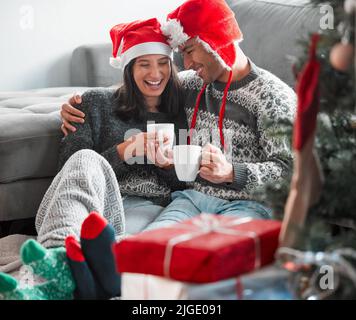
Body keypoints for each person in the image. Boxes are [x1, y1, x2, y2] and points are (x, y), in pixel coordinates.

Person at [61, 0, 296, 229]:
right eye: (181, 54)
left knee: (210, 256)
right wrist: (78, 104)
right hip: (191, 199)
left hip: (248, 204)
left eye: (190, 51)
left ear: (216, 41)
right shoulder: (192, 85)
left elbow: (292, 172)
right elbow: (142, 87)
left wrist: (232, 172)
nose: (186, 63)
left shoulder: (272, 97)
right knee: (150, 248)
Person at [0, 18, 188, 300]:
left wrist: (168, 165)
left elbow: (187, 186)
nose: (155, 73)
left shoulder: (185, 110)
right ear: (129, 68)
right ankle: (57, 256)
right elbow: (71, 168)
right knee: (86, 158)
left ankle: (49, 275)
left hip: (148, 214)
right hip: (92, 208)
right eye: (144, 64)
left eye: (162, 62)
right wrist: (124, 151)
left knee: (113, 253)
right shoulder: (95, 104)